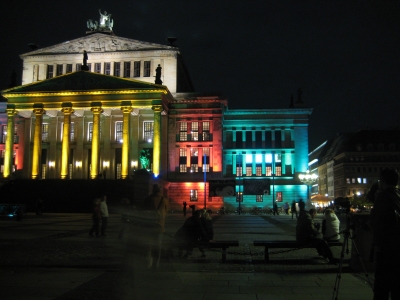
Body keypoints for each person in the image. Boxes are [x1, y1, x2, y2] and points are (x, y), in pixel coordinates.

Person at [370, 168, 400, 299]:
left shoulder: (383, 196)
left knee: (381, 287)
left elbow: (377, 221)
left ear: (383, 180)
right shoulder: (398, 195)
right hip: (397, 248)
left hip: (386, 248)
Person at [143, 184, 169, 268]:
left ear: (153, 190)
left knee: (148, 246)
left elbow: (143, 211)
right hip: (160, 226)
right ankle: (156, 263)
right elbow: (166, 211)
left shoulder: (148, 199)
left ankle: (148, 263)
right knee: (158, 246)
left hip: (149, 226)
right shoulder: (164, 200)